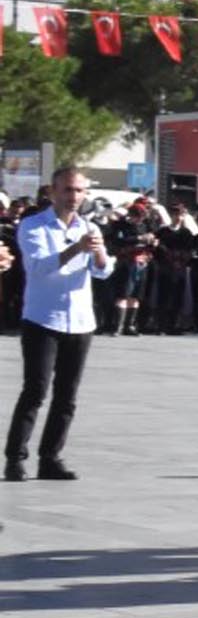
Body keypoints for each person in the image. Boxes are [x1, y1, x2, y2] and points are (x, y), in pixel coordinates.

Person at [8, 167, 117, 482]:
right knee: (35, 390)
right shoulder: (33, 225)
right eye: (68, 190)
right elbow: (39, 267)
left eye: (80, 191)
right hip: (44, 318)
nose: (74, 197)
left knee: (67, 396)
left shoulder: (90, 227)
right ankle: (15, 457)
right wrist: (76, 249)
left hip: (80, 320)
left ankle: (50, 457)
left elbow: (103, 271)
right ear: (53, 192)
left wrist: (98, 257)